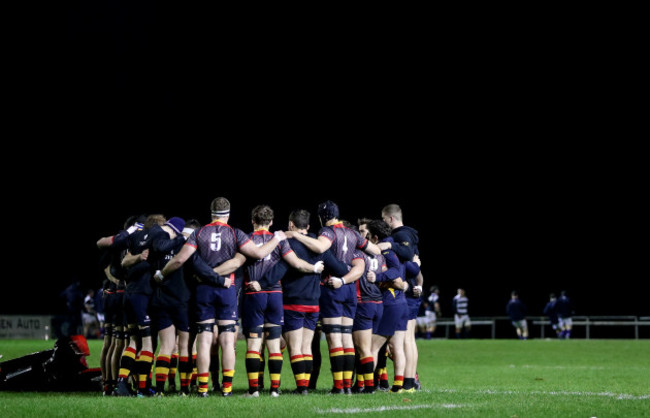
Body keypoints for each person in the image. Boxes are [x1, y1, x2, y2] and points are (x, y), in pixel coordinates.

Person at [157, 197, 286, 397]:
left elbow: (180, 259)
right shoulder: (235, 233)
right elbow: (259, 253)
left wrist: (161, 274)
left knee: (205, 339)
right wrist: (277, 238)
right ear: (228, 213)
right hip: (227, 288)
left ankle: (202, 389)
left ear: (211, 212)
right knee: (227, 341)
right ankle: (226, 389)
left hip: (203, 290)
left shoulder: (199, 233)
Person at [286, 201, 378, 394]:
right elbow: (375, 251)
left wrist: (295, 234)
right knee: (347, 340)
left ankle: (339, 387)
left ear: (322, 217)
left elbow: (320, 248)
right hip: (350, 289)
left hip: (331, 288)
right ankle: (347, 386)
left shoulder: (328, 232)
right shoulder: (353, 233)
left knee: (335, 339)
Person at [239, 205, 325, 398]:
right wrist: (314, 268)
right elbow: (295, 263)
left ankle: (254, 390)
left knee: (254, 344)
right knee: (274, 345)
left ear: (253, 220)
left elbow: (238, 263)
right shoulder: (280, 242)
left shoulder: (246, 239)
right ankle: (275, 390)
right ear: (271, 222)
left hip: (255, 294)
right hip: (276, 296)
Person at [366, 219, 419, 393]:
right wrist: (415, 266)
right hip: (402, 303)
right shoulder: (399, 250)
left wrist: (378, 277)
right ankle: (398, 386)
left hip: (391, 303)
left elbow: (396, 273)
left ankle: (365, 386)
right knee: (397, 346)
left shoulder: (385, 250)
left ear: (374, 237)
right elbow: (413, 270)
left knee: (372, 348)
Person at [380, 204, 423, 391]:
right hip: (411, 291)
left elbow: (406, 254)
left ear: (390, 219)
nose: (383, 224)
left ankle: (408, 382)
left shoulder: (401, 235)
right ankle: (410, 382)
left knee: (405, 340)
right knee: (408, 339)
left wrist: (389, 244)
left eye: (383, 220)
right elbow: (417, 265)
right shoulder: (408, 235)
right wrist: (419, 285)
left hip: (406, 293)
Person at [148, 216, 192, 396]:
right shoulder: (185, 246)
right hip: (182, 300)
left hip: (162, 299)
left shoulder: (158, 247)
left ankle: (159, 390)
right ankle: (184, 389)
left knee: (165, 346)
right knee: (184, 347)